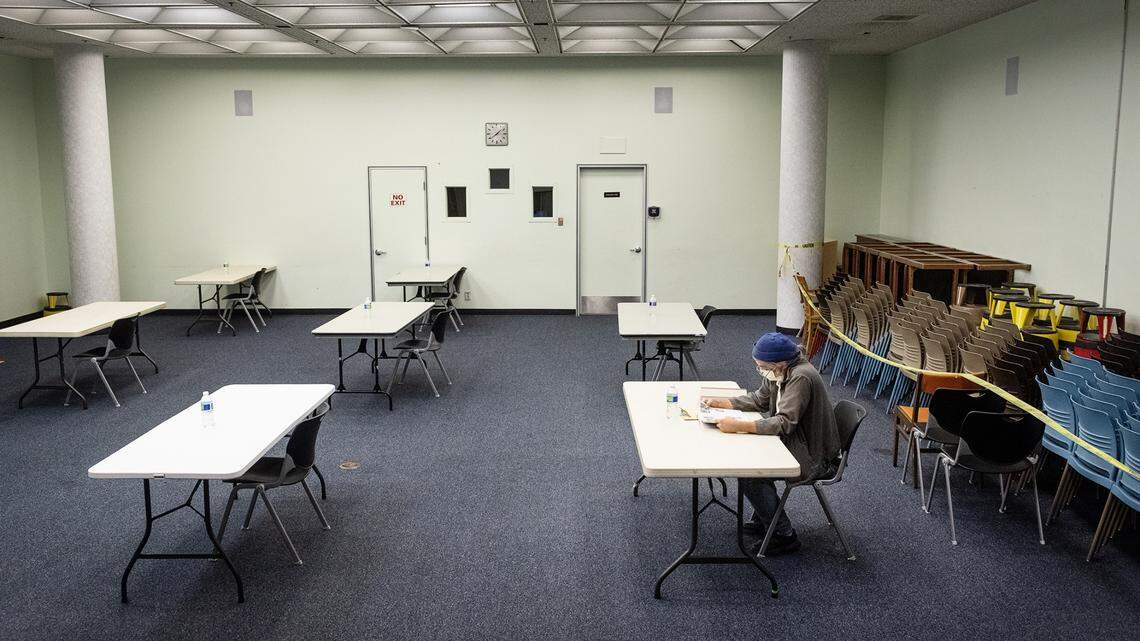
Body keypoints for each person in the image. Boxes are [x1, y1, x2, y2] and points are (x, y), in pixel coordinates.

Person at [702, 332, 840, 556]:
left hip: (813, 456)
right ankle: (766, 516)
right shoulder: (779, 370)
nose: (760, 370)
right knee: (750, 458)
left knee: (750, 473)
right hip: (796, 442)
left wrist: (738, 425)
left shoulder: (800, 377)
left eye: (762, 366)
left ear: (780, 364)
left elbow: (785, 423)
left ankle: (783, 535)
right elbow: (760, 399)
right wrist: (724, 403)